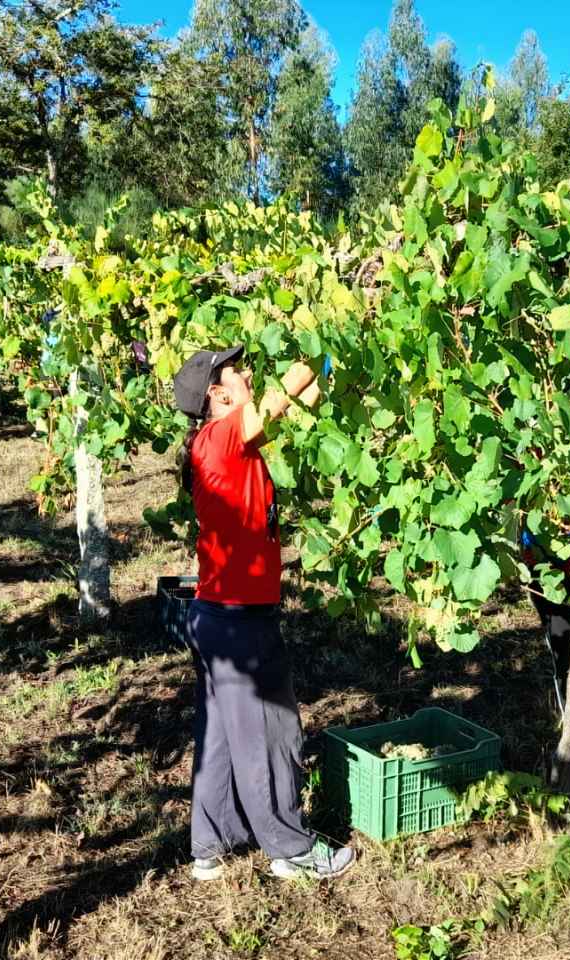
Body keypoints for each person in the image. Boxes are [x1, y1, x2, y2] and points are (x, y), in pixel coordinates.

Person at [171, 345, 356, 882]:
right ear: (218, 393)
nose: (247, 372)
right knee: (272, 733)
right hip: (239, 620)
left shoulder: (224, 443)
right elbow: (282, 396)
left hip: (219, 615)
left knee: (224, 737)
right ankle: (291, 850)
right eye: (237, 370)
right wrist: (316, 352)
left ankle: (212, 844)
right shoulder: (224, 436)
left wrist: (316, 386)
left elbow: (288, 408)